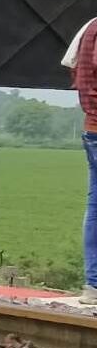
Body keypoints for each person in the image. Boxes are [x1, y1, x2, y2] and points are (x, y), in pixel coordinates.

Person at [66, 17, 97, 303]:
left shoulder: (88, 27)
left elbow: (73, 69)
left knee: (95, 206)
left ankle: (93, 285)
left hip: (92, 128)